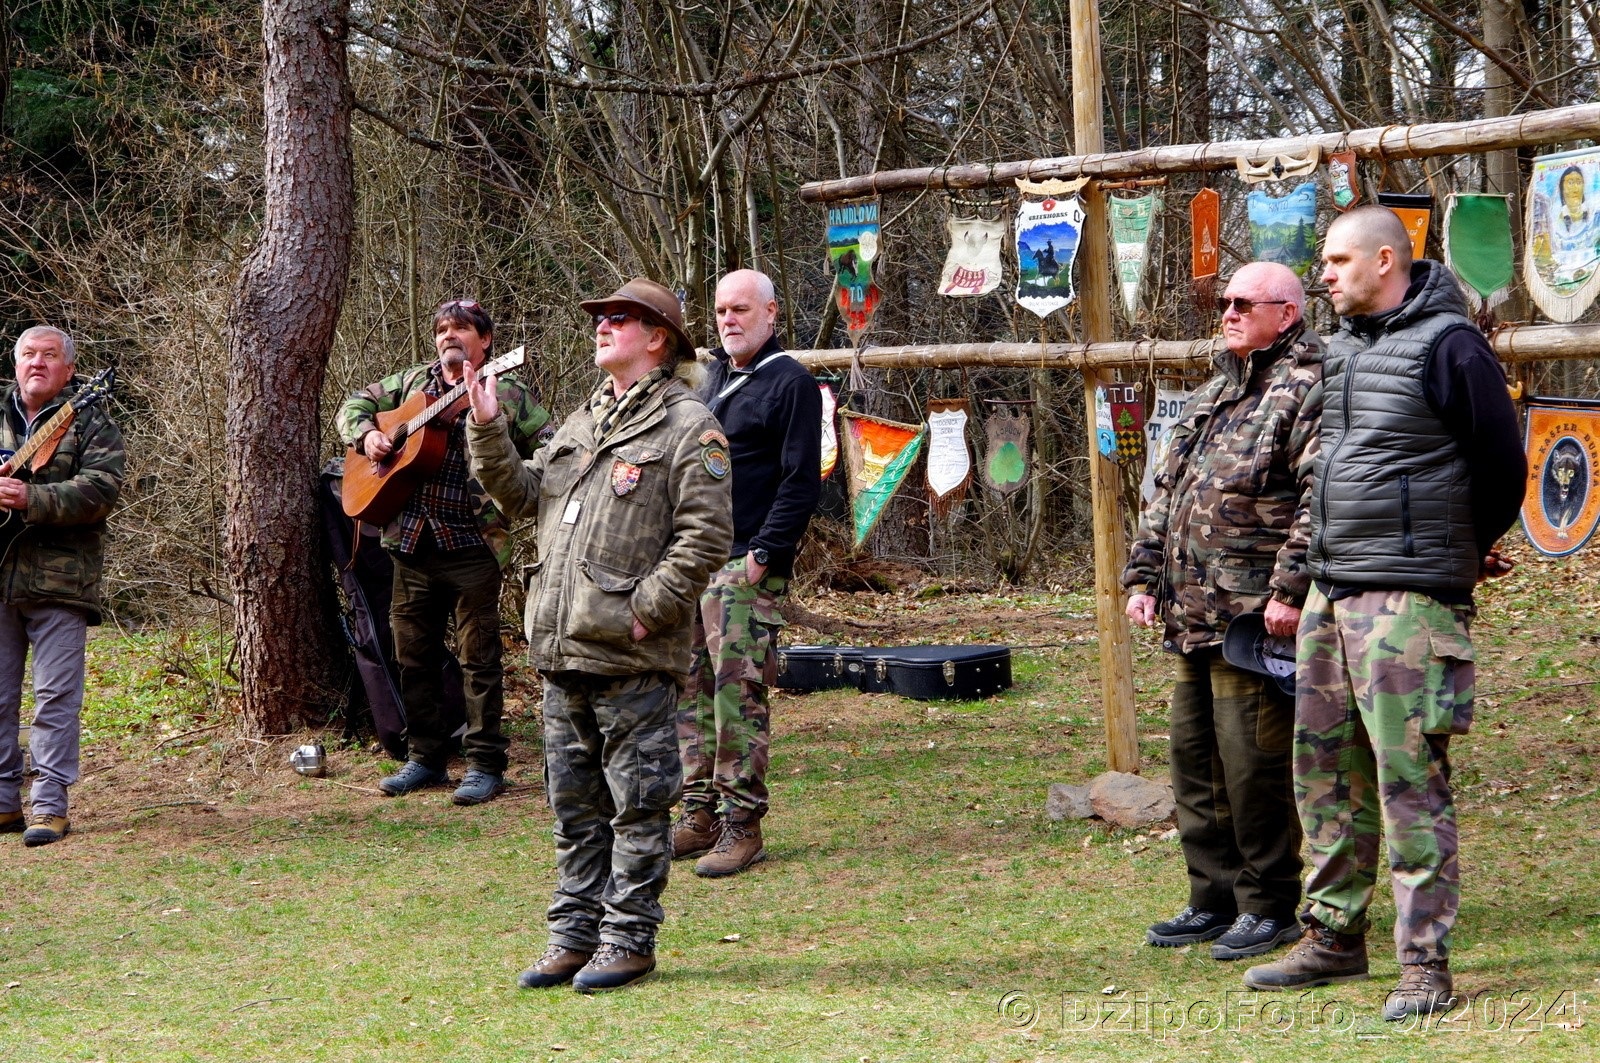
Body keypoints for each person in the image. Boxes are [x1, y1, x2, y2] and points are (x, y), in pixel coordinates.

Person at [1243, 206, 1526, 1021]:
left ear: (1386, 259)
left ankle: (1424, 965)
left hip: (1408, 598)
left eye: (1336, 260)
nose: (1324, 274)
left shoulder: (1450, 346)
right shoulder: (1346, 348)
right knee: (1325, 772)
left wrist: (1456, 546)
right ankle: (1334, 935)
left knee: (1409, 781)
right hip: (1335, 588)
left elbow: (1502, 464)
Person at [465, 278, 732, 993]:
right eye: (600, 317)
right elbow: (524, 498)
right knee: (574, 808)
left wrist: (646, 609)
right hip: (562, 647)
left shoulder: (688, 426)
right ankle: (573, 934)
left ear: (659, 338)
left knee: (638, 803)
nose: (602, 326)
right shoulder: (582, 422)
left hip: (631, 652)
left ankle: (629, 938)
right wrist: (488, 427)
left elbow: (706, 537)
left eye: (620, 318)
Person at [1122, 262, 1322, 960]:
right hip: (1189, 615)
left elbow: (1316, 501)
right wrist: (1143, 577)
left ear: (1287, 313)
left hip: (1250, 621)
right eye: (1223, 301)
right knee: (1194, 762)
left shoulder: (1308, 389)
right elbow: (1165, 495)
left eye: (1243, 303)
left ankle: (1270, 904)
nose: (1228, 311)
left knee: (1252, 764)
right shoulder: (1214, 392)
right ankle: (1212, 896)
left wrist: (1290, 591)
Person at [336, 300, 550, 805]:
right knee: (414, 658)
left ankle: (485, 763)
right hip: (410, 542)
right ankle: (426, 758)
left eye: (461, 329)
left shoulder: (510, 391)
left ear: (487, 341)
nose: (449, 336)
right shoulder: (410, 386)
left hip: (474, 545)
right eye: (442, 329)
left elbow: (553, 444)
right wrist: (368, 435)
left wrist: (521, 480)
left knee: (480, 660)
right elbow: (353, 406)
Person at [672, 269, 822, 877]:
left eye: (739, 309)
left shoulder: (791, 383)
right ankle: (699, 812)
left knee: (736, 694)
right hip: (692, 562)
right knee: (691, 689)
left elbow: (801, 482)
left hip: (744, 567)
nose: (727, 320)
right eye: (719, 311)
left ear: (771, 313)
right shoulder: (710, 381)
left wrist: (762, 557)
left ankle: (742, 824)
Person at [0, 326, 125, 847]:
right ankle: (4, 804)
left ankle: (49, 807)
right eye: (28, 354)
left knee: (54, 698)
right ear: (15, 363)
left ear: (69, 370)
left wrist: (32, 499)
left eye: (49, 356)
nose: (37, 363)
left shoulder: (91, 421)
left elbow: (100, 490)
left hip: (60, 581)